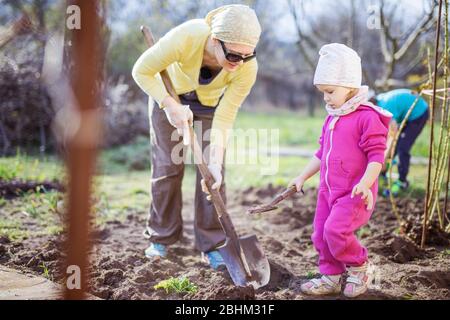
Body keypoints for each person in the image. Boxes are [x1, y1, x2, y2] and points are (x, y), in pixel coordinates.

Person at [132, 4, 261, 269]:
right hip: (169, 96)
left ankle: (212, 244)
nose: (240, 64)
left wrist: (214, 160)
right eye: (234, 56)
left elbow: (225, 117)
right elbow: (141, 71)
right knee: (168, 168)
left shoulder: (247, 67)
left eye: (247, 56)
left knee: (212, 177)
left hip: (210, 108)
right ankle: (161, 238)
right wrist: (169, 105)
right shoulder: (188, 36)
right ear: (215, 41)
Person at [289, 44, 391, 297]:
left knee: (336, 231)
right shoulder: (332, 117)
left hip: (354, 192)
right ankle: (331, 276)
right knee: (321, 235)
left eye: (330, 91)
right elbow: (321, 154)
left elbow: (377, 156)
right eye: (322, 92)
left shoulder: (367, 117)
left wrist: (366, 183)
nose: (326, 97)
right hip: (328, 191)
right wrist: (302, 176)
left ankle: (360, 267)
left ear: (351, 87)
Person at [370, 89, 429, 195]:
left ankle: (402, 181)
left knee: (403, 147)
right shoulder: (380, 101)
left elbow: (393, 133)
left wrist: (384, 155)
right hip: (407, 112)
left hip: (418, 113)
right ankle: (384, 173)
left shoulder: (385, 106)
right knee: (395, 146)